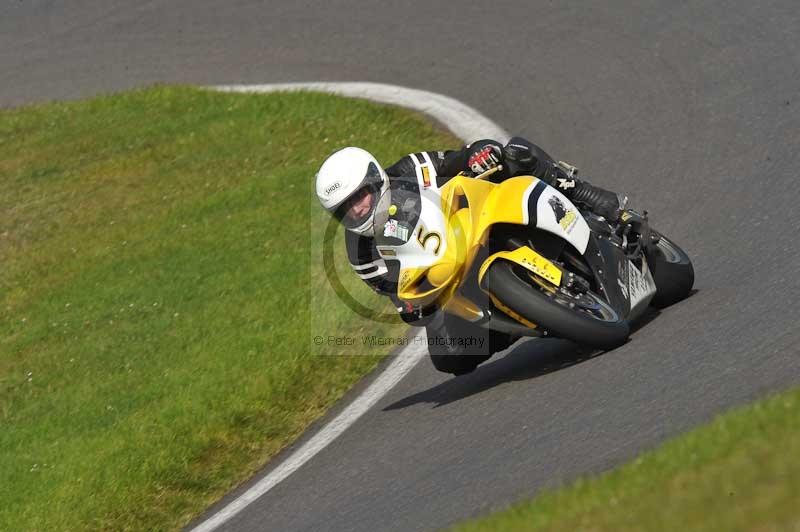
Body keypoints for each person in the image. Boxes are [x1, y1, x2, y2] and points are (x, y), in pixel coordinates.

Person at [315, 137, 621, 373]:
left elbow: (460, 157)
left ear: (375, 179)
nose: (357, 209)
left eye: (360, 196)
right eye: (346, 207)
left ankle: (586, 196)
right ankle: (521, 318)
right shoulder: (361, 254)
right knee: (449, 357)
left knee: (515, 151)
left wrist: (480, 152)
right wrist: (413, 307)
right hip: (452, 283)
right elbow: (400, 296)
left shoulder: (411, 170)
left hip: (476, 220)